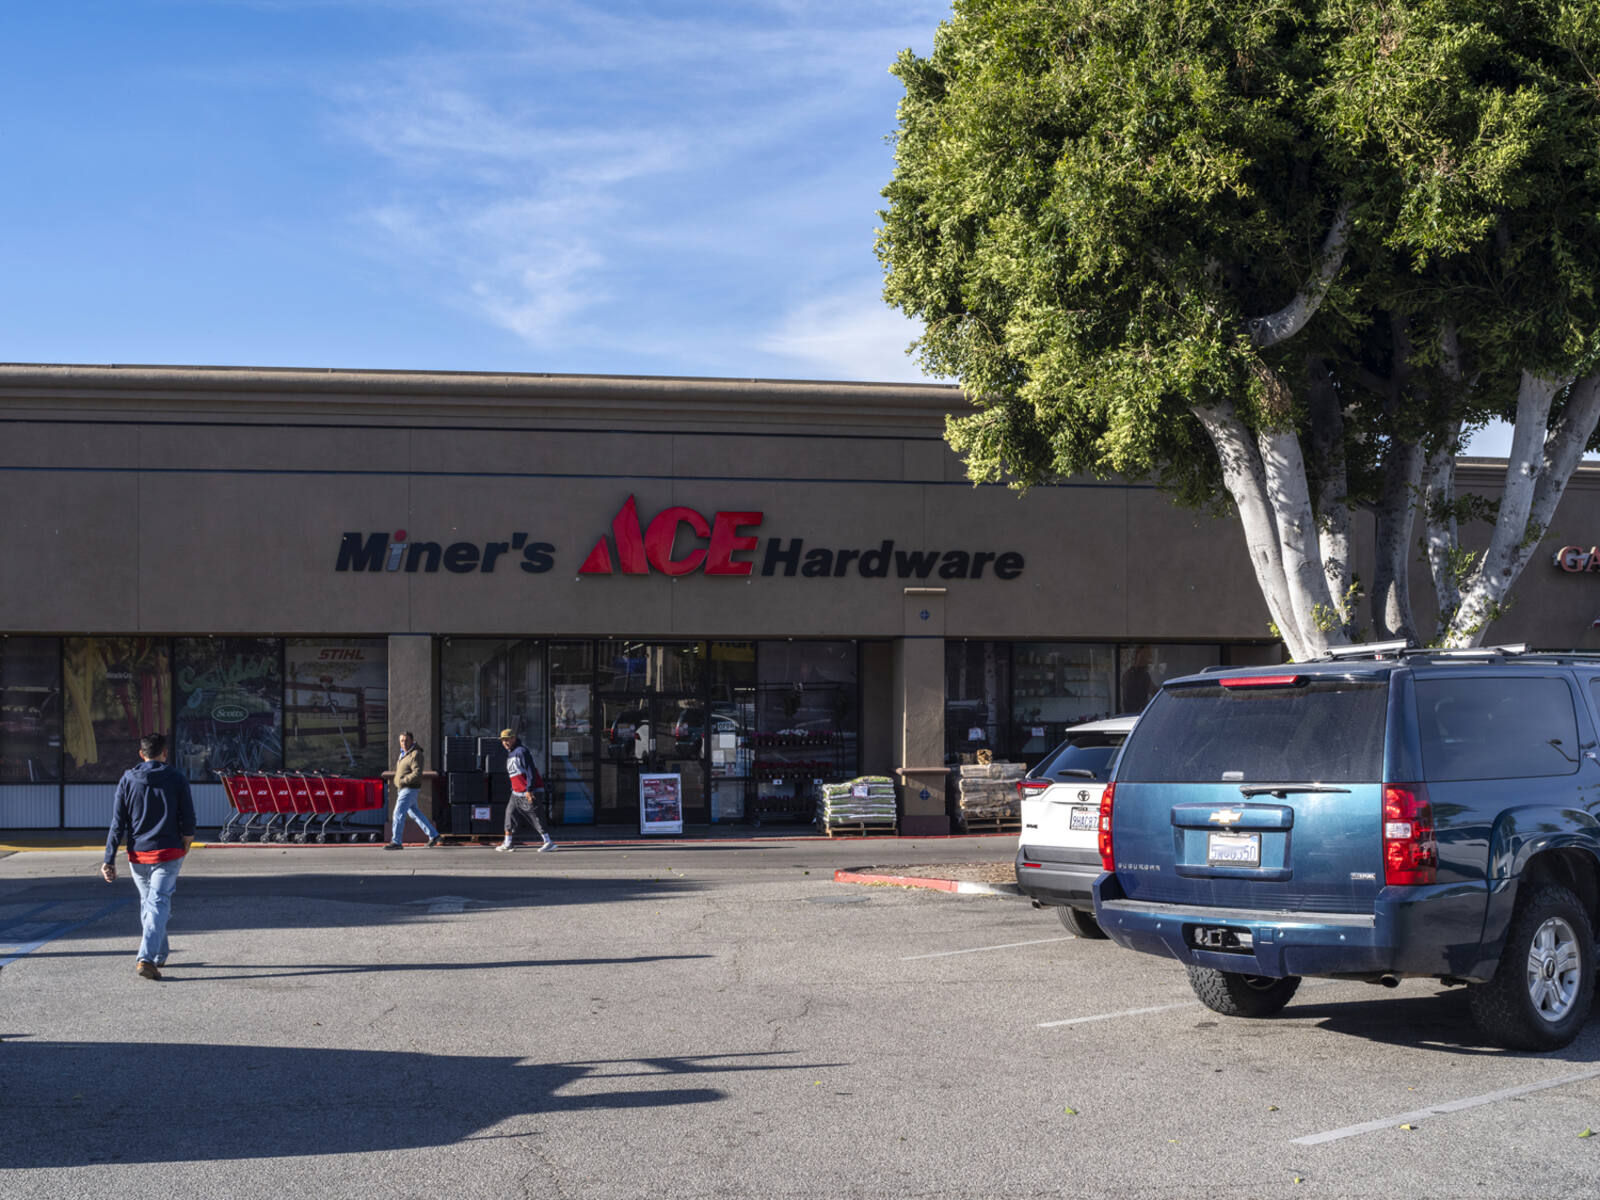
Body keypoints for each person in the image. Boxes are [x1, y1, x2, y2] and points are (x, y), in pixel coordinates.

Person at [100, 732, 196, 981]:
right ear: (164, 753)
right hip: (168, 852)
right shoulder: (176, 777)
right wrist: (187, 840)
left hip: (137, 855)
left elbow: (117, 822)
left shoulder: (128, 779)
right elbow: (188, 814)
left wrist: (108, 858)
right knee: (157, 903)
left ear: (141, 754)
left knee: (150, 904)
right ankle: (146, 958)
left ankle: (159, 953)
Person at [497, 728, 555, 852]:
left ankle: (548, 841)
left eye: (507, 740)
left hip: (528, 791)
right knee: (509, 815)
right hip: (516, 792)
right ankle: (507, 843)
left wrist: (530, 789)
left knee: (535, 816)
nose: (505, 743)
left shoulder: (522, 752)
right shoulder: (511, 753)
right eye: (503, 741)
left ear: (513, 738)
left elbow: (531, 771)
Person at [385, 731, 440, 850]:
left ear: (412, 741)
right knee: (414, 813)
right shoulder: (403, 754)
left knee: (398, 813)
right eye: (401, 741)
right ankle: (434, 835)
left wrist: (403, 780)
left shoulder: (415, 754)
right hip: (403, 788)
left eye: (406, 740)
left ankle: (396, 841)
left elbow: (417, 773)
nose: (404, 743)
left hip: (409, 788)